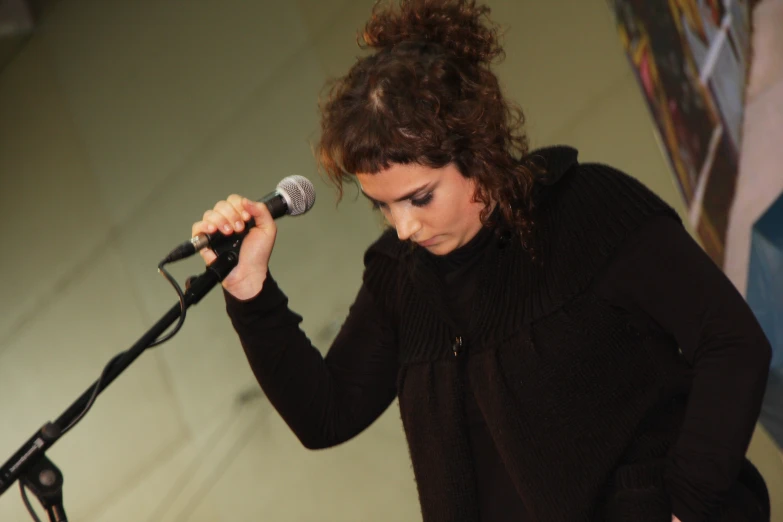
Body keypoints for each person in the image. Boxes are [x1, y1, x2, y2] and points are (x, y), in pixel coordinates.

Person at [190, 1, 772, 520]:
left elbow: (730, 342)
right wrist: (250, 291)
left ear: (478, 149)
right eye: (382, 207)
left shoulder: (587, 210)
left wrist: (685, 508)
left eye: (420, 197)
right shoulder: (402, 279)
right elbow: (326, 416)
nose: (405, 226)